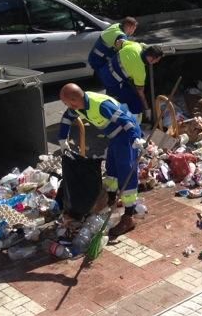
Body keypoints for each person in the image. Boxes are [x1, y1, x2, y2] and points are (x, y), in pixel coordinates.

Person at [58, 83, 145, 238]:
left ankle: (129, 216)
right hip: (114, 136)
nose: (66, 107)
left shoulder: (101, 106)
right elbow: (66, 119)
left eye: (66, 103)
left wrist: (135, 138)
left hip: (127, 134)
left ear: (73, 100)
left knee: (126, 171)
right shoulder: (79, 105)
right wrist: (62, 140)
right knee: (111, 167)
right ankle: (110, 200)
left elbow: (127, 122)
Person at [105, 42, 164, 122]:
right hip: (112, 81)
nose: (156, 62)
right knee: (136, 103)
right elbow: (141, 93)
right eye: (157, 60)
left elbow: (120, 42)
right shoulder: (140, 71)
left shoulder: (135, 46)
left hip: (105, 69)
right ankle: (134, 125)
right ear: (151, 58)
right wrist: (147, 109)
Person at [88, 17, 138, 92]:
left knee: (107, 81)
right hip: (100, 61)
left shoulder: (116, 26)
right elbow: (124, 53)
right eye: (134, 29)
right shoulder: (121, 36)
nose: (133, 31)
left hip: (93, 57)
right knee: (109, 82)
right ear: (130, 27)